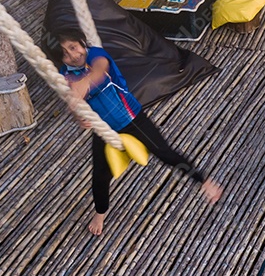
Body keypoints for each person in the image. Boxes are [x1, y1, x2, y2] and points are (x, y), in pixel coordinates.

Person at [56, 33, 222, 236]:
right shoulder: (65, 75)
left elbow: (100, 69)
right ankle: (100, 212)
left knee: (165, 153)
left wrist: (85, 82)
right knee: (100, 176)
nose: (72, 55)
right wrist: (78, 117)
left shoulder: (95, 55)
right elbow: (74, 107)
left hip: (133, 119)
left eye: (73, 47)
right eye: (65, 54)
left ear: (82, 43)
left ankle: (204, 182)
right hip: (104, 128)